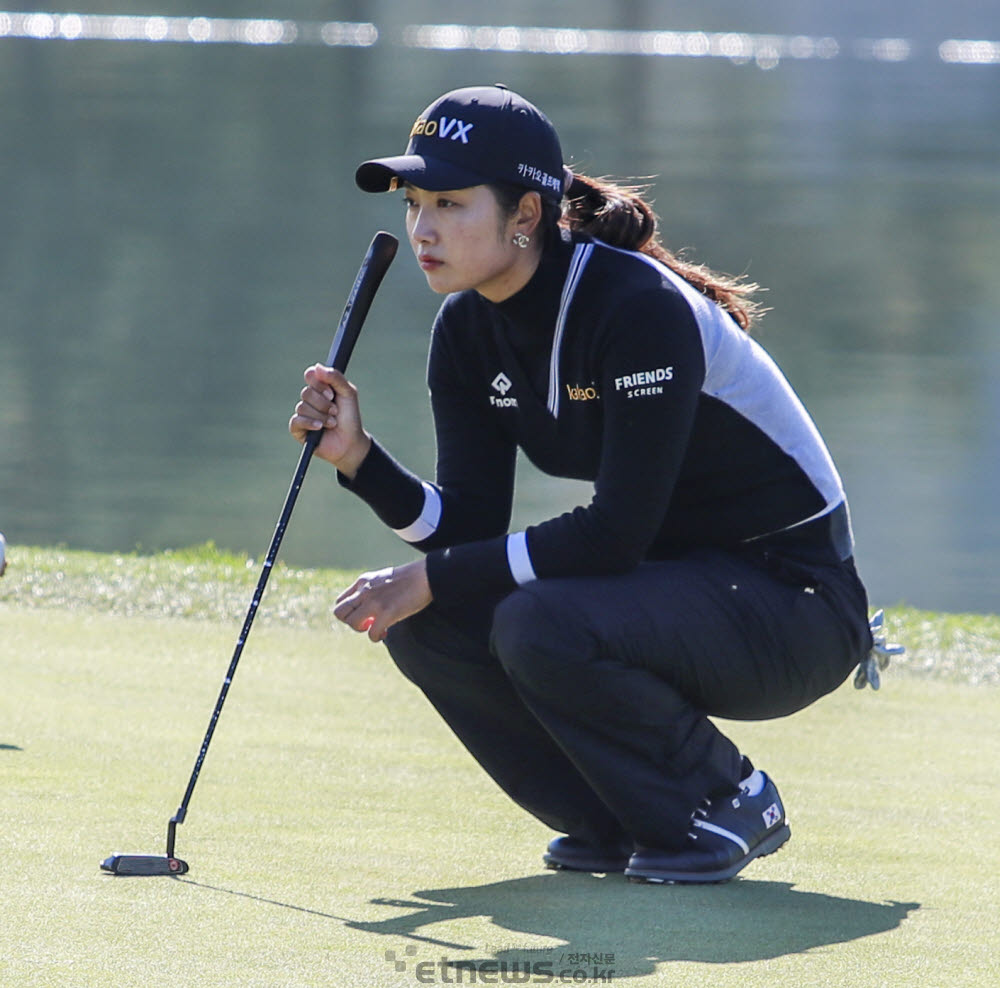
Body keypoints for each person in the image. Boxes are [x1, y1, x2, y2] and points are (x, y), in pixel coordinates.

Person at [289, 85, 873, 884]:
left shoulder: (634, 307)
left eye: (451, 203)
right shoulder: (466, 327)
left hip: (795, 607)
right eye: (417, 203)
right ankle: (615, 818)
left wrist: (430, 575)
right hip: (671, 592)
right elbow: (469, 529)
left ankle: (723, 799)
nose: (423, 228)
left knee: (537, 621)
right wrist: (360, 461)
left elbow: (613, 534)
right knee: (430, 623)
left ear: (526, 215)